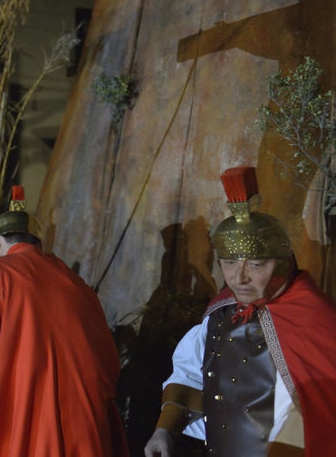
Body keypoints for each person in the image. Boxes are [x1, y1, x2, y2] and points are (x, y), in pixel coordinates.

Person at [143, 166, 336, 457]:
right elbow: (191, 374)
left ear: (284, 263)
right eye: (229, 263)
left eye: (256, 265)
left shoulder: (316, 323)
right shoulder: (222, 311)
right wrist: (165, 429)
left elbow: (309, 420)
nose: (239, 278)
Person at [0, 186, 126, 456]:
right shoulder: (78, 284)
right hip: (82, 419)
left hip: (20, 411)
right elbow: (109, 361)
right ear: (39, 242)